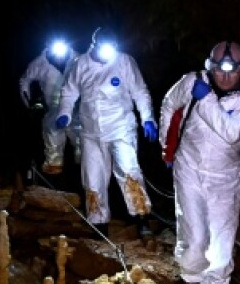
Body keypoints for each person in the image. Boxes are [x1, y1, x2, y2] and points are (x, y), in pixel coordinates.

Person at [158, 41, 240, 284]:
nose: (225, 77)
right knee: (195, 237)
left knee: (220, 246)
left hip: (224, 177)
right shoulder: (192, 81)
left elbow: (231, 133)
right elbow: (170, 105)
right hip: (189, 168)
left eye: (232, 71)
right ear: (210, 67)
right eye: (219, 71)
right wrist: (167, 148)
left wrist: (205, 101)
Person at [55, 28, 158, 236]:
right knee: (93, 178)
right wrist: (65, 112)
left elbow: (140, 91)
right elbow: (69, 91)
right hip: (91, 132)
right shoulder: (80, 64)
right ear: (94, 45)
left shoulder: (124, 62)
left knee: (130, 171)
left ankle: (142, 218)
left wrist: (147, 118)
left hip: (121, 127)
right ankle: (99, 224)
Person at [19, 38, 81, 174]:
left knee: (81, 142)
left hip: (76, 110)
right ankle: (54, 174)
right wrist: (28, 102)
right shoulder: (39, 63)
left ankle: (82, 171)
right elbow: (25, 80)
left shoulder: (78, 60)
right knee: (53, 143)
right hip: (53, 109)